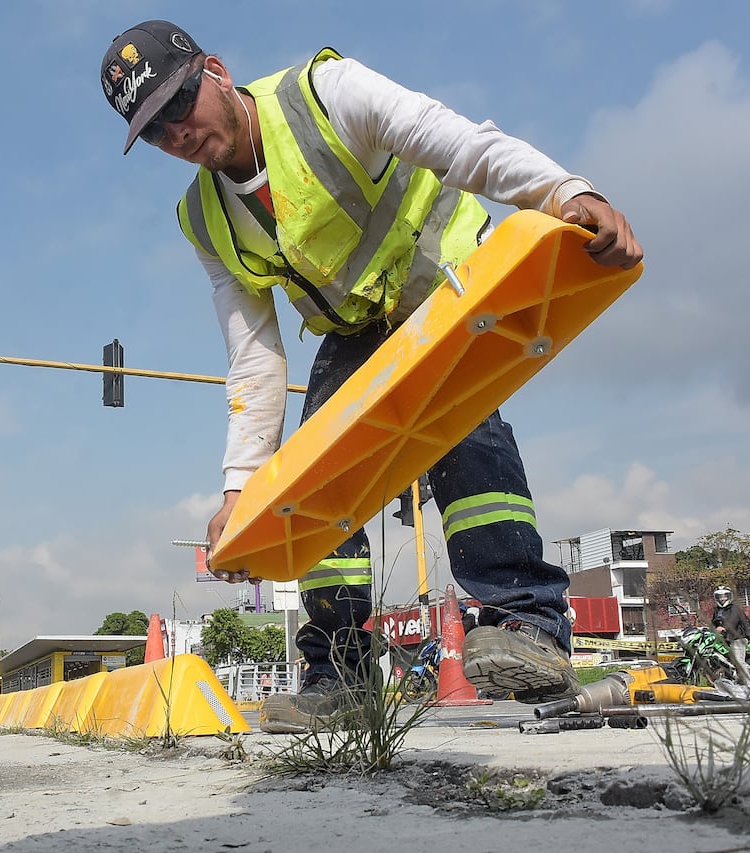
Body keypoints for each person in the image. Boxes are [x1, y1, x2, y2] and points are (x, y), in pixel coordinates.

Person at [100, 21, 642, 733]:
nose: (179, 133)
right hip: (354, 326)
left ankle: (527, 625)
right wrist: (241, 489)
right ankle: (342, 675)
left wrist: (564, 192)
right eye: (156, 129)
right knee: (316, 473)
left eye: (181, 103)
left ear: (218, 72)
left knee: (458, 421)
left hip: (442, 277)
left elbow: (459, 143)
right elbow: (254, 355)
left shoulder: (326, 96)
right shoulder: (205, 220)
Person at [711, 585, 750, 683]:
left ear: (729, 597)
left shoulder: (735, 608)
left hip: (738, 637)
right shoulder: (718, 610)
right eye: (720, 596)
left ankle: (748, 684)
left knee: (738, 660)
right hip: (727, 638)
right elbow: (713, 622)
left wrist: (723, 628)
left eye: (724, 596)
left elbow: (732, 622)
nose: (722, 598)